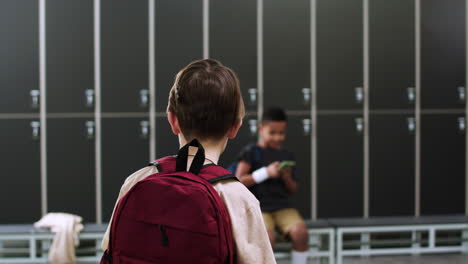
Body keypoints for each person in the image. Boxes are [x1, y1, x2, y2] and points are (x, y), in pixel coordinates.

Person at [101, 59, 276, 264]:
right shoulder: (238, 199)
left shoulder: (135, 181)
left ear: (172, 120)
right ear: (235, 127)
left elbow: (110, 251)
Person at [235, 107, 309, 264]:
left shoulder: (287, 155)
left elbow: (293, 189)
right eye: (273, 133)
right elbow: (238, 181)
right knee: (267, 239)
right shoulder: (251, 152)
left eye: (281, 133)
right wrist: (266, 173)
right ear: (261, 129)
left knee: (301, 233)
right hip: (259, 207)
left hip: (283, 207)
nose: (278, 138)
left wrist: (287, 177)